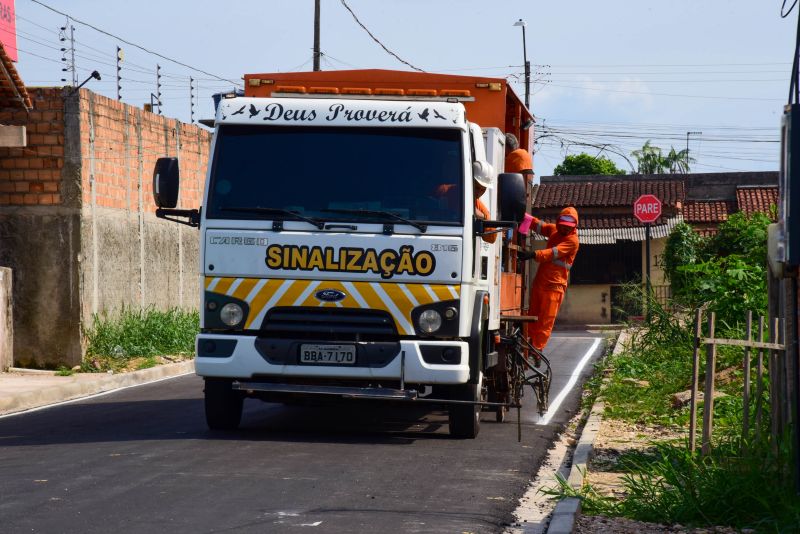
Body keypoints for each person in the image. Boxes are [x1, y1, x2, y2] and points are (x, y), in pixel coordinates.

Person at [517, 207, 580, 352]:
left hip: (555, 288)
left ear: (574, 226)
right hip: (540, 282)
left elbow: (553, 253)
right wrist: (523, 215)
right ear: (558, 223)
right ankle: (527, 348)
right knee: (532, 317)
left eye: (568, 227)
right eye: (563, 226)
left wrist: (534, 254)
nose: (564, 229)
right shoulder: (553, 231)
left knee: (545, 322)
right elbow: (539, 225)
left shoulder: (573, 241)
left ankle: (537, 351)